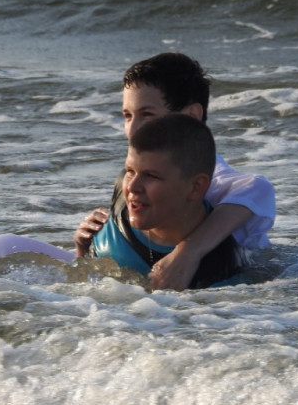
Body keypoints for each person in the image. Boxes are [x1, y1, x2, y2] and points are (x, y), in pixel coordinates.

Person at [74, 52, 275, 290]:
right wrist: (87, 246)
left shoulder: (206, 179)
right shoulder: (135, 176)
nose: (133, 130)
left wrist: (189, 251)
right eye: (128, 116)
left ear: (191, 116)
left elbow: (257, 189)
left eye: (147, 115)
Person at [90, 113, 249, 289]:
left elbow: (254, 189)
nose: (132, 187)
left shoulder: (218, 267)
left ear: (195, 187)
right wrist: (82, 249)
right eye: (130, 171)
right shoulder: (121, 194)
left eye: (151, 176)